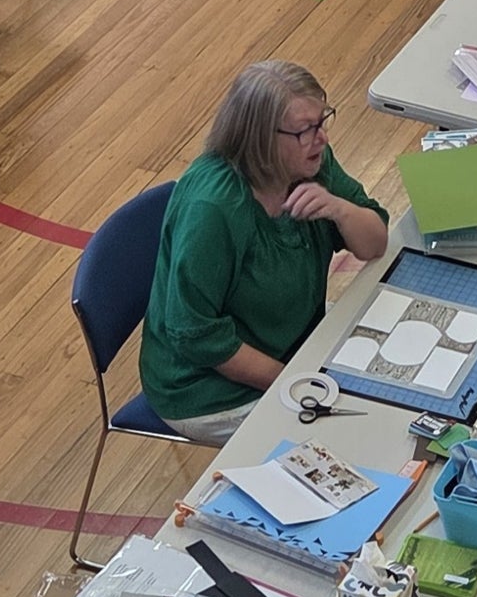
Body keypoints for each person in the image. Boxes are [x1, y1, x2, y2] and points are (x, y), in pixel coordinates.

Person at [140, 61, 390, 445]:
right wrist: (298, 382)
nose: (320, 138)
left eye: (322, 121)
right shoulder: (215, 209)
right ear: (258, 138)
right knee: (355, 439)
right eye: (305, 130)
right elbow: (196, 334)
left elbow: (374, 243)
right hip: (209, 390)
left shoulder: (310, 163)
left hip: (297, 353)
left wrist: (338, 208)